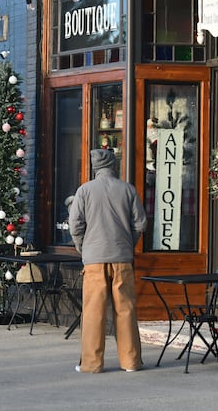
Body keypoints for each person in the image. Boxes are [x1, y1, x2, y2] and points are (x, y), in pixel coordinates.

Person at [68, 149, 147, 373]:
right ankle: (131, 362)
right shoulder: (128, 189)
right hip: (122, 258)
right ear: (114, 164)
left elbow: (75, 226)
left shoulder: (84, 191)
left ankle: (92, 364)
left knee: (93, 312)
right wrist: (127, 243)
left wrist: (84, 248)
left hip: (93, 259)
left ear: (95, 166)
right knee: (126, 310)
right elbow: (140, 224)